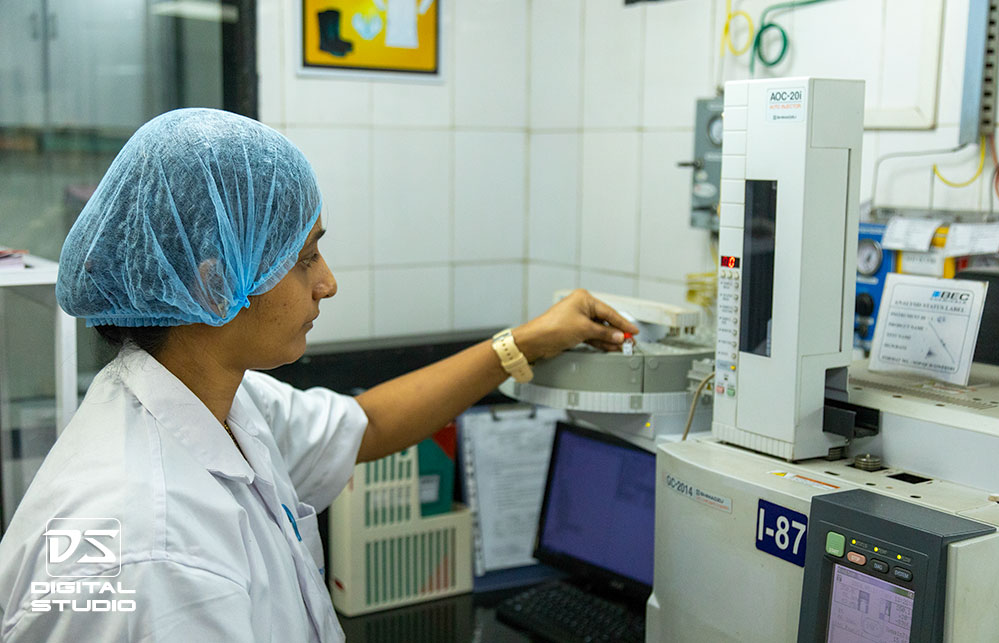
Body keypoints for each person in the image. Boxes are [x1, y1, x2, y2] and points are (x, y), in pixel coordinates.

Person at [0, 108, 636, 642]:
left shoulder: (217, 402)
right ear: (215, 283)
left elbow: (367, 425)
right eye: (305, 258)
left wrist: (527, 341)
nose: (328, 283)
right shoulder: (151, 551)